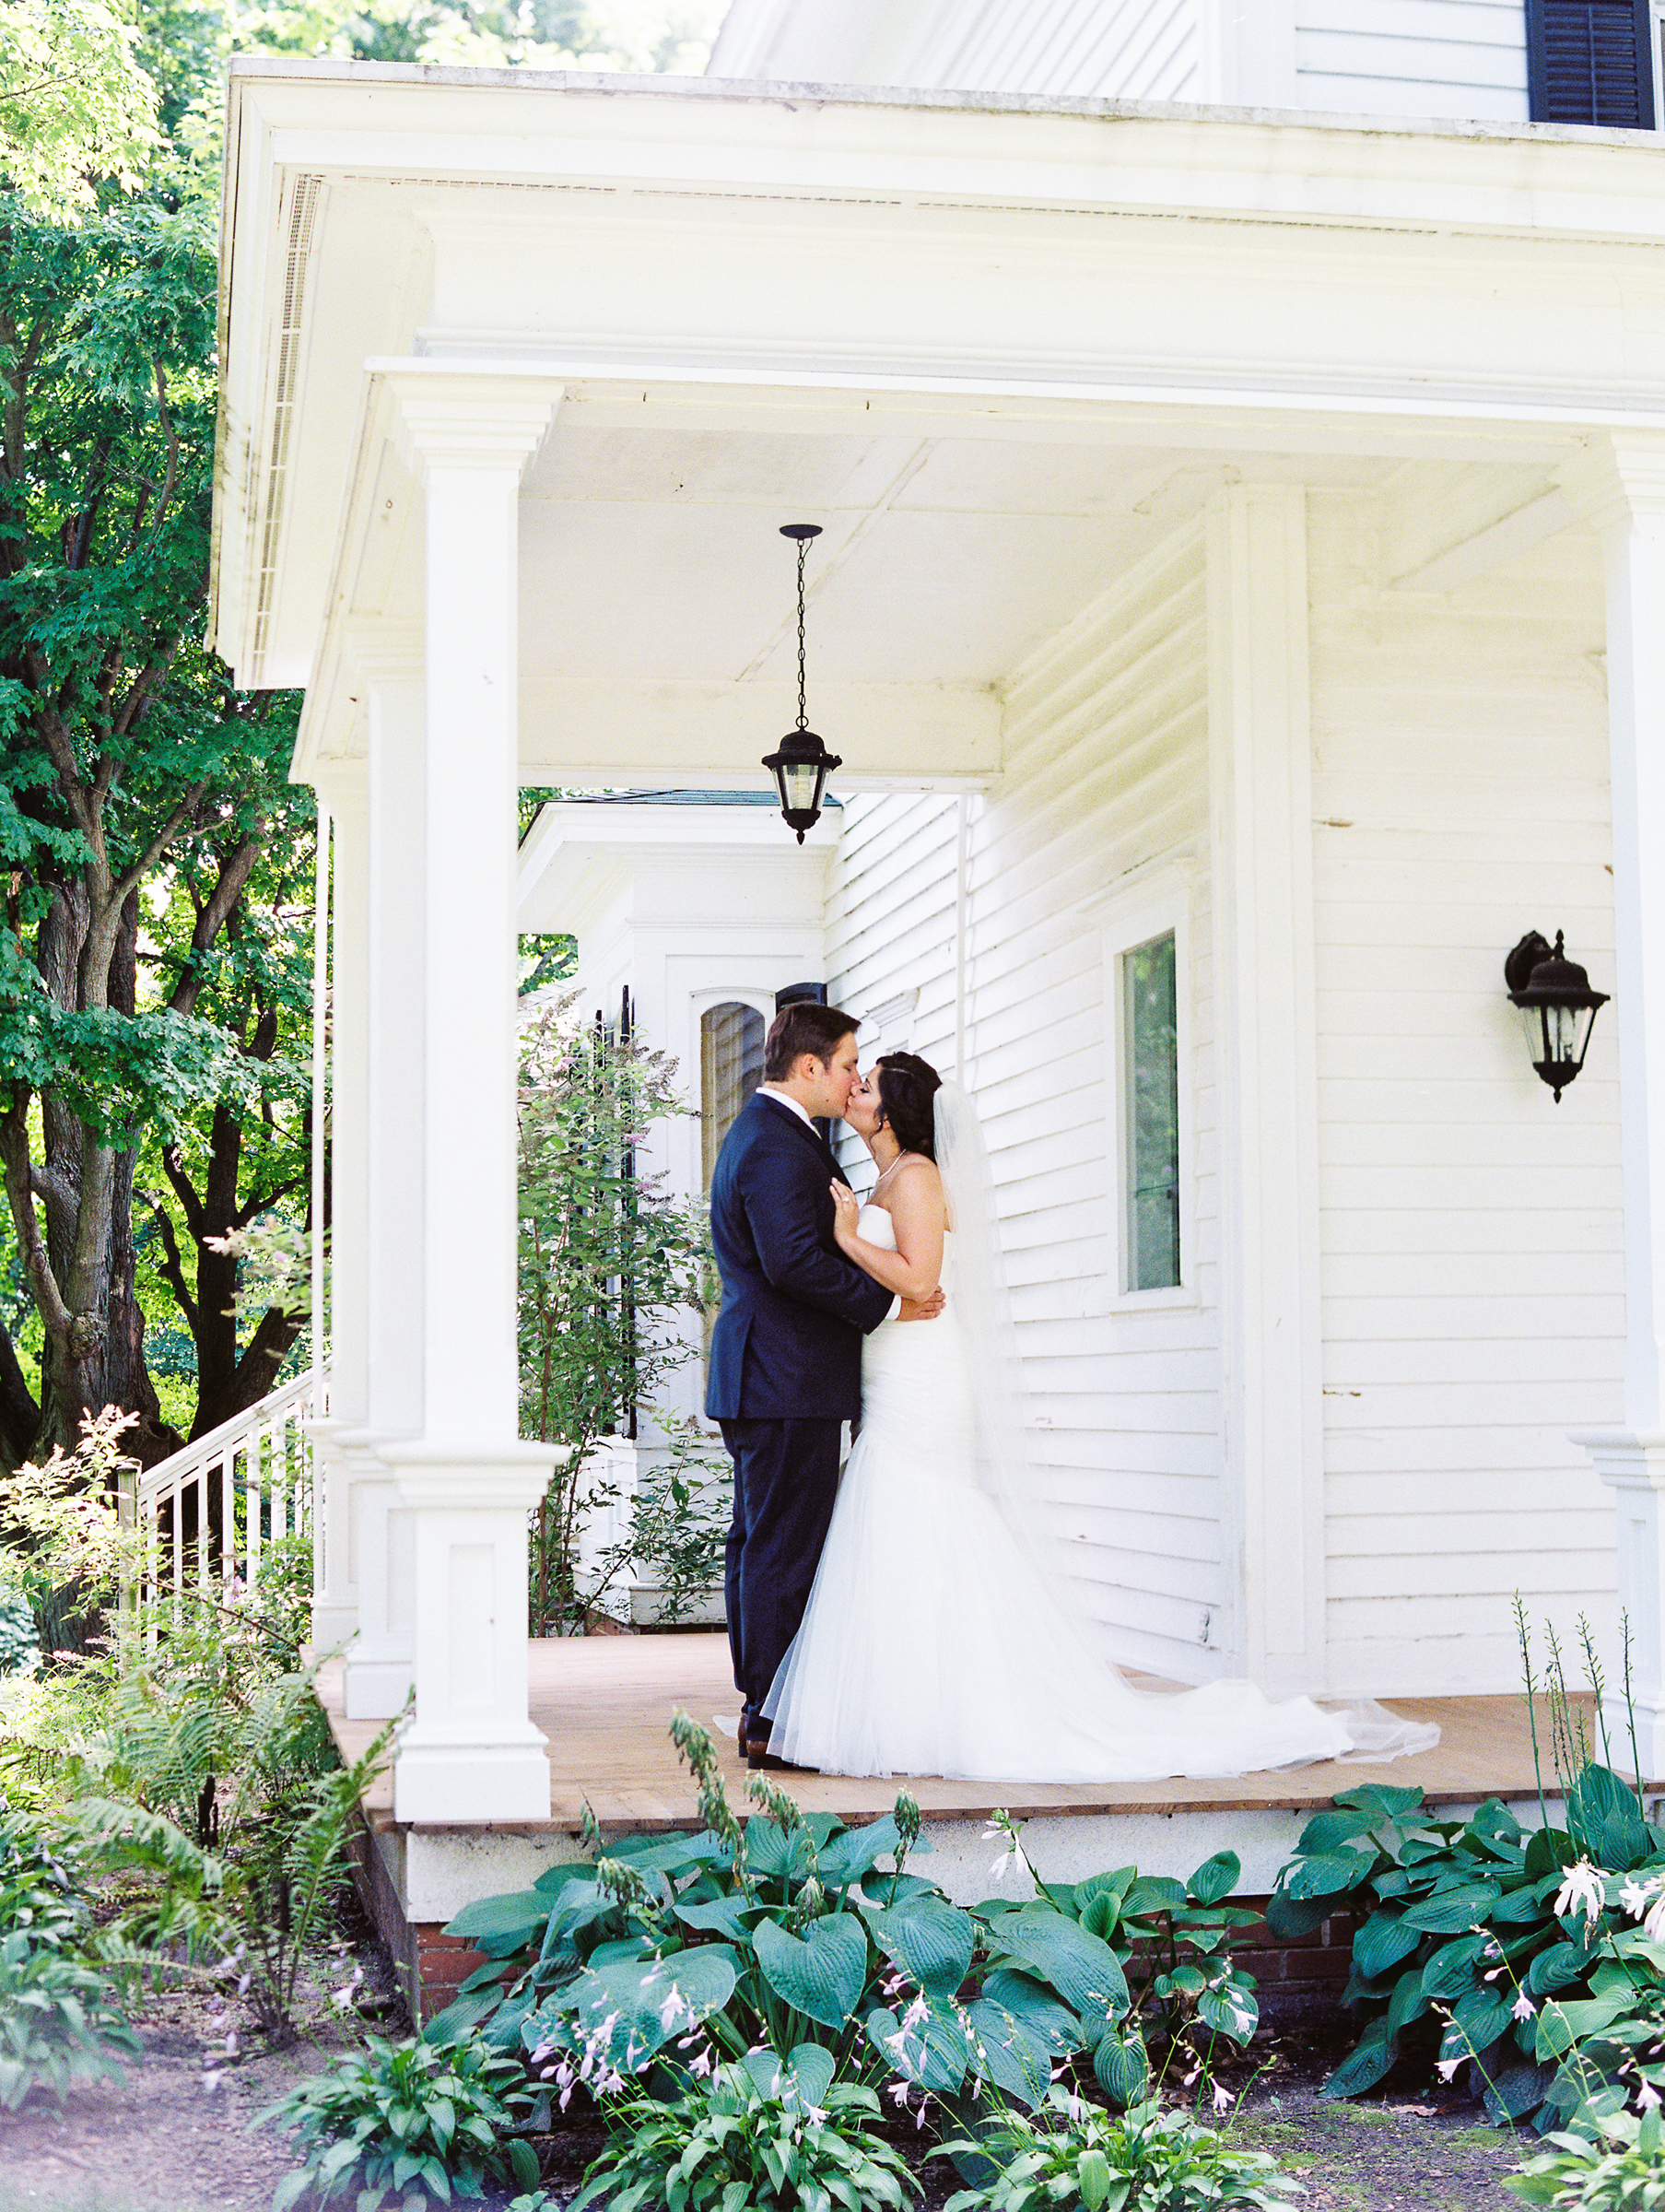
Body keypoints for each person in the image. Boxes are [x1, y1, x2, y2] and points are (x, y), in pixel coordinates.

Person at [758, 1049, 1440, 1783]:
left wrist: (847, 1238)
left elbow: (922, 1280)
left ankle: (952, 1707)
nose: (851, 1090)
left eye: (865, 1085)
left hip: (924, 1373)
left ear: (891, 1111)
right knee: (893, 1515)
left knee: (917, 1508)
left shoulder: (917, 1177)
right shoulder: (886, 1178)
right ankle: (904, 1705)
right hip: (891, 1367)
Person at [705, 1003, 944, 1772]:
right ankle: (770, 1713)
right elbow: (794, 1263)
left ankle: (763, 1704)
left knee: (760, 1539)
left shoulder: (773, 1135)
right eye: (847, 1065)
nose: (851, 1082)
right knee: (781, 1543)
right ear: (809, 1067)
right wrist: (886, 1303)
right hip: (784, 1379)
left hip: (771, 1376)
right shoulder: (776, 1145)